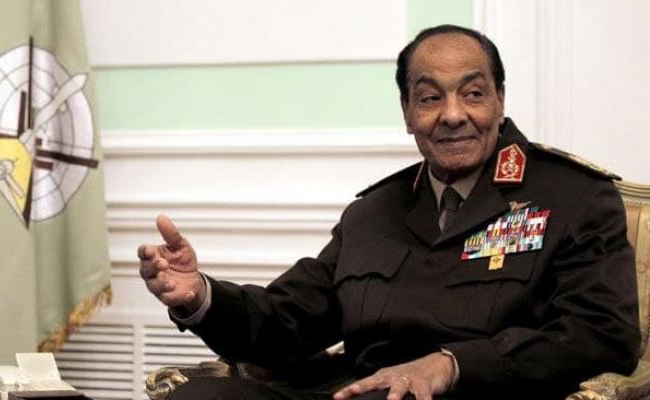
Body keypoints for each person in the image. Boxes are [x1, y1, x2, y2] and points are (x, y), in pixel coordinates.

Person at [138, 24, 640, 400]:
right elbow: (288, 319)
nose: (452, 115)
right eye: (430, 97)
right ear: (407, 112)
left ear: (500, 100)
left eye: (472, 93)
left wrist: (450, 365)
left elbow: (600, 335)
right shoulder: (374, 212)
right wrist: (200, 295)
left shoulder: (574, 197)